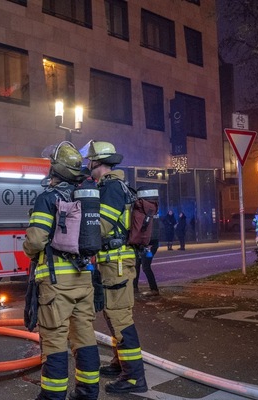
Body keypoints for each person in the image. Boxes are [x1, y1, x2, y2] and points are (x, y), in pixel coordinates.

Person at [23, 141, 99, 400]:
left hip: (57, 283)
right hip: (85, 278)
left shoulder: (48, 198)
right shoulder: (85, 198)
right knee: (85, 336)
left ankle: (52, 397)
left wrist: (31, 252)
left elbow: (35, 241)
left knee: (55, 341)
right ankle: (88, 393)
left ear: (54, 169)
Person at [80, 140, 148, 394]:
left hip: (117, 263)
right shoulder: (115, 186)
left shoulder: (110, 189)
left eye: (90, 161)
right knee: (112, 312)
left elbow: (102, 227)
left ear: (97, 162)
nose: (88, 165)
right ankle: (121, 362)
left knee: (120, 316)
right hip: (116, 262)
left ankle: (134, 377)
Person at [134, 206, 160, 297]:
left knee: (145, 266)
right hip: (147, 243)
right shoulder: (152, 212)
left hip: (148, 244)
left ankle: (154, 289)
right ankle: (134, 287)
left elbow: (148, 230)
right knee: (137, 264)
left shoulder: (149, 214)